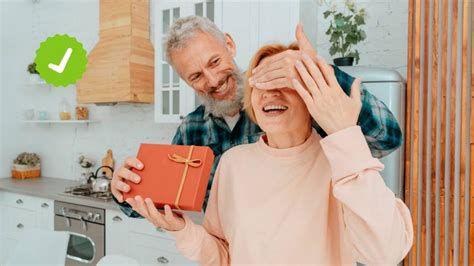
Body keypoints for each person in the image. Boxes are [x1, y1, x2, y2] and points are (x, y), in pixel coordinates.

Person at [123, 43, 414, 265]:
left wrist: (342, 130)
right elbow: (222, 254)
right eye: (260, 84)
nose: (270, 92)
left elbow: (384, 253)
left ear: (311, 95)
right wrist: (181, 228)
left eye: (283, 82)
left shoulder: (341, 159)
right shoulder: (233, 163)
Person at [111, 16, 403, 217]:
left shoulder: (291, 103)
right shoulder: (191, 129)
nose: (212, 80)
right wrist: (124, 190)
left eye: (215, 61)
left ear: (229, 44)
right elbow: (163, 201)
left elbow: (388, 137)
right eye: (196, 76)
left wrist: (317, 74)